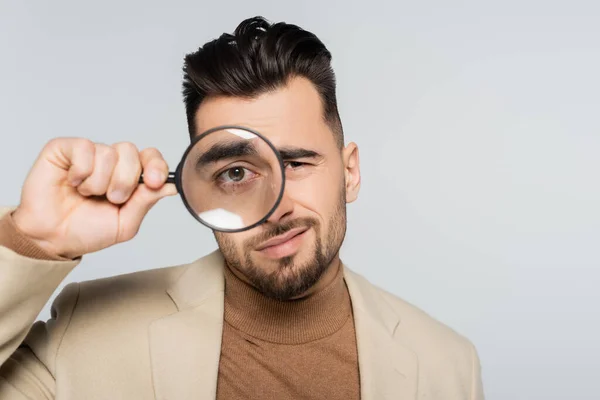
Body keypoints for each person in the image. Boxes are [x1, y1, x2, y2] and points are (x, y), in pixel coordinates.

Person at [0, 16, 484, 400]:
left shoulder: (448, 366)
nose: (273, 209)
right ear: (198, 187)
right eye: (235, 173)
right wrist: (33, 241)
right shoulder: (84, 334)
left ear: (349, 172)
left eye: (295, 162)